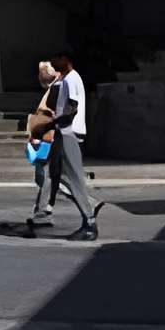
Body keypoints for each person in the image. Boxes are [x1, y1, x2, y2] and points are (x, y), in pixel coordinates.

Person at [48, 48, 99, 240]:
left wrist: (57, 121)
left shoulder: (71, 79)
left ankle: (90, 222)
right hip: (64, 132)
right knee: (57, 176)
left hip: (68, 132)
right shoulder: (67, 78)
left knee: (72, 178)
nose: (52, 62)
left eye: (56, 58)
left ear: (66, 59)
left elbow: (73, 107)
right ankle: (90, 205)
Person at [24, 59, 64, 230]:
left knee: (49, 175)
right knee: (50, 175)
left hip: (50, 138)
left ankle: (43, 210)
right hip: (48, 138)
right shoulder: (54, 88)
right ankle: (43, 209)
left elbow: (49, 117)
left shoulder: (56, 88)